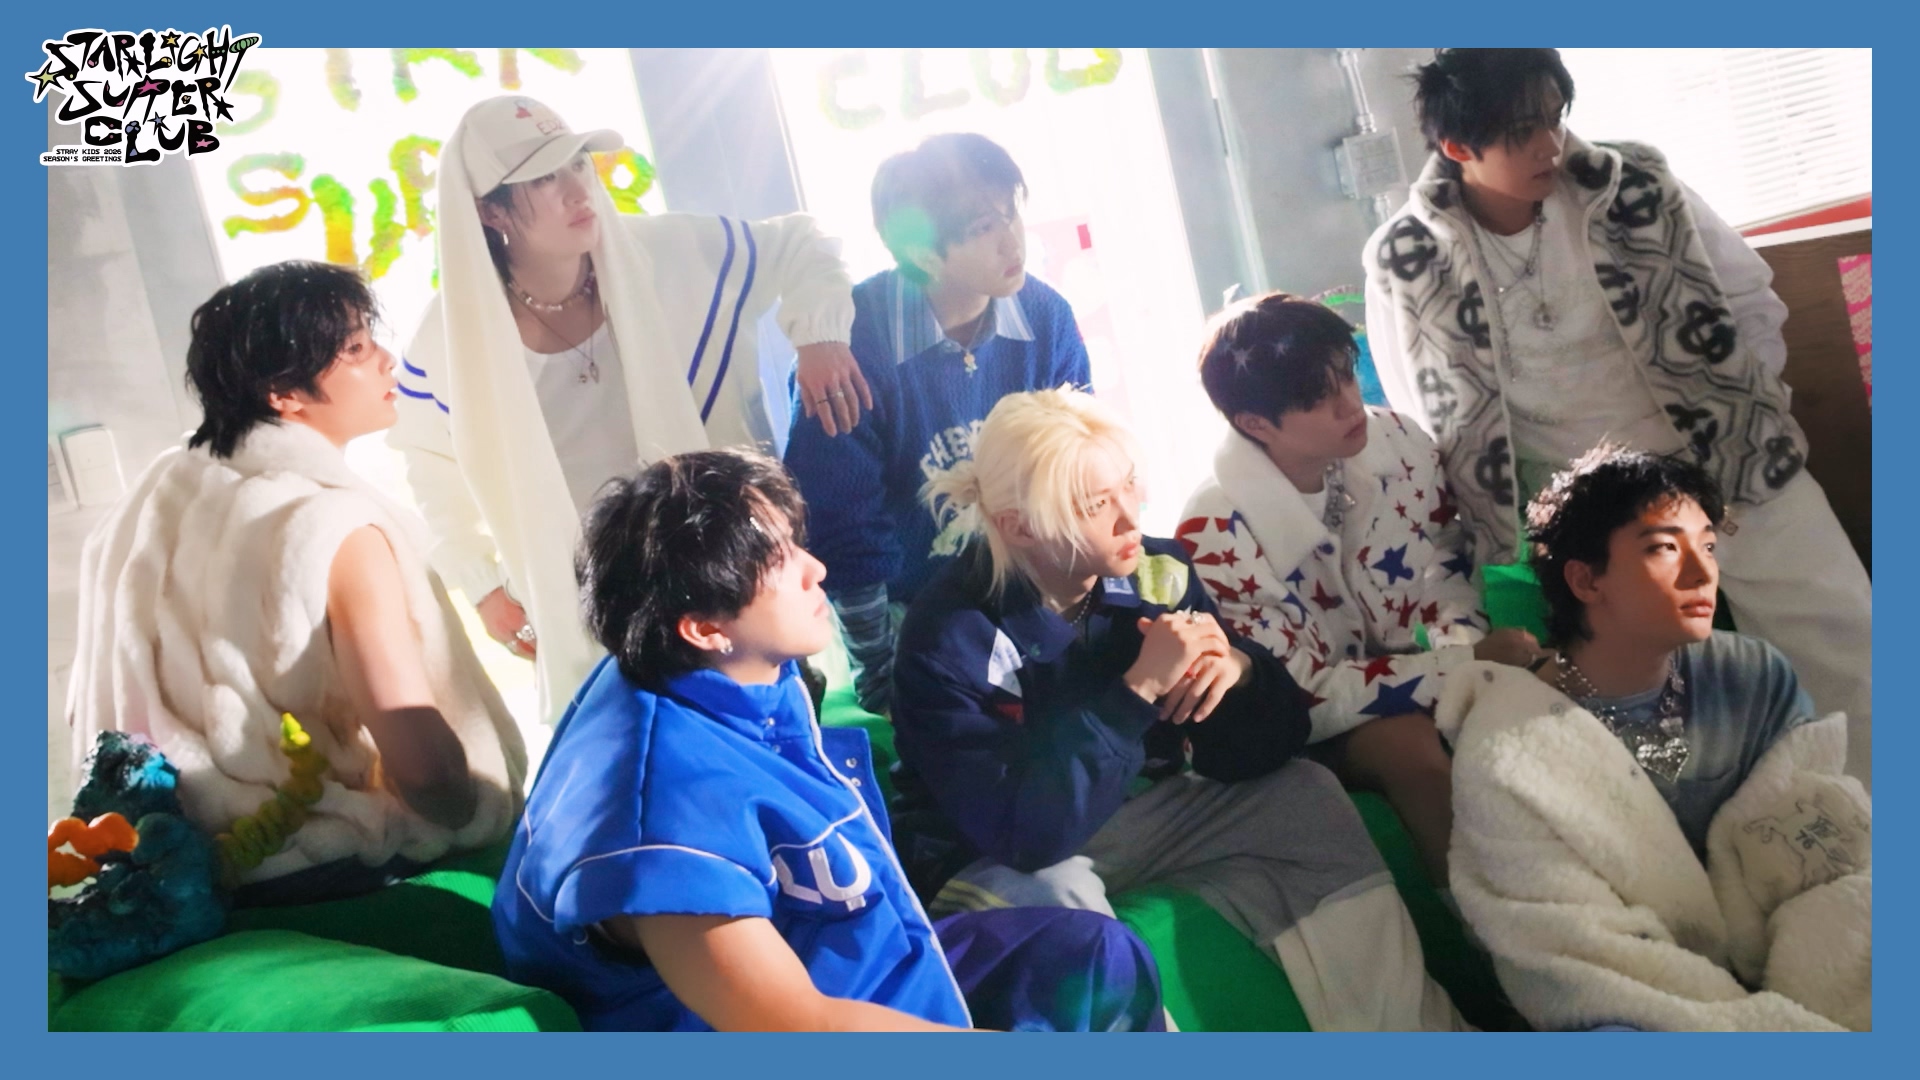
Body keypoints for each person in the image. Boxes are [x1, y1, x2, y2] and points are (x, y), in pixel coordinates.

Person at [491, 448, 1165, 1032]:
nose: (815, 568)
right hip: (781, 1022)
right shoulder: (661, 818)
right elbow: (795, 1027)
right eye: (777, 561)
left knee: (1099, 955)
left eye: (795, 542)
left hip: (846, 953)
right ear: (704, 627)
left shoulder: (717, 662)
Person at [1363, 48, 1872, 785]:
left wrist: (1746, 410)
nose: (1550, 145)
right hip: (1592, 504)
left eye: (1555, 118)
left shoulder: (1636, 183)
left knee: (1850, 637)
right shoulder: (1405, 258)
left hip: (1727, 456)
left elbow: (1749, 297)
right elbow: (1422, 406)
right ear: (1458, 147)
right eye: (1522, 131)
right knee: (1665, 706)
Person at [889, 388, 1466, 1031]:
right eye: (1094, 504)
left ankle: (1413, 1035)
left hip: (1129, 812)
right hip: (995, 852)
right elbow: (1025, 836)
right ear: (1020, 526)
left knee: (1304, 795)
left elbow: (1253, 751)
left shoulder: (1157, 571)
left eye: (1129, 485)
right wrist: (1135, 691)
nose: (1129, 516)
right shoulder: (947, 635)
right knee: (1054, 903)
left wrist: (1238, 674)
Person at [390, 95, 864, 723]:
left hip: (725, 572)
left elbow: (803, 241)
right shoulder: (450, 337)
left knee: (772, 739)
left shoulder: (667, 252)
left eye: (577, 164)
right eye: (542, 178)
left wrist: (821, 334)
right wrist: (481, 584)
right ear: (489, 210)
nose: (577, 190)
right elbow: (427, 459)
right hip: (596, 603)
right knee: (643, 762)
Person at [67, 261, 527, 903]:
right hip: (326, 866)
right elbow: (425, 771)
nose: (387, 361)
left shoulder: (145, 511)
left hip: (184, 870)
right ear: (284, 392)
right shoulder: (333, 528)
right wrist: (481, 810)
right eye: (356, 350)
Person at [1437, 445, 1870, 1031]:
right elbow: (1573, 949)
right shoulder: (1511, 749)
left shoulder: (1751, 675)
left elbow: (1820, 854)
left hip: (1778, 947)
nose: (1702, 572)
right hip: (1632, 988)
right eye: (1665, 548)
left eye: (1708, 546)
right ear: (1586, 579)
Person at [1179, 292, 1547, 886]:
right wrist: (1462, 666)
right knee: (1409, 747)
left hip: (1404, 673)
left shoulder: (1397, 441)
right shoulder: (1214, 532)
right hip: (1295, 726)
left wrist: (1467, 656)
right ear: (1254, 424)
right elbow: (1302, 694)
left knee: (1538, 687)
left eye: (1346, 375)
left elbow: (1443, 558)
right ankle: (1493, 924)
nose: (1350, 403)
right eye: (1316, 398)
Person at [784, 132, 1091, 717]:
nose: (1012, 240)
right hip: (913, 615)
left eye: (1011, 213)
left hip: (1027, 593)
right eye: (983, 227)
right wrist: (884, 673)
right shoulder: (855, 345)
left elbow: (1078, 469)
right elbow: (843, 524)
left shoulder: (1045, 315)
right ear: (924, 254)